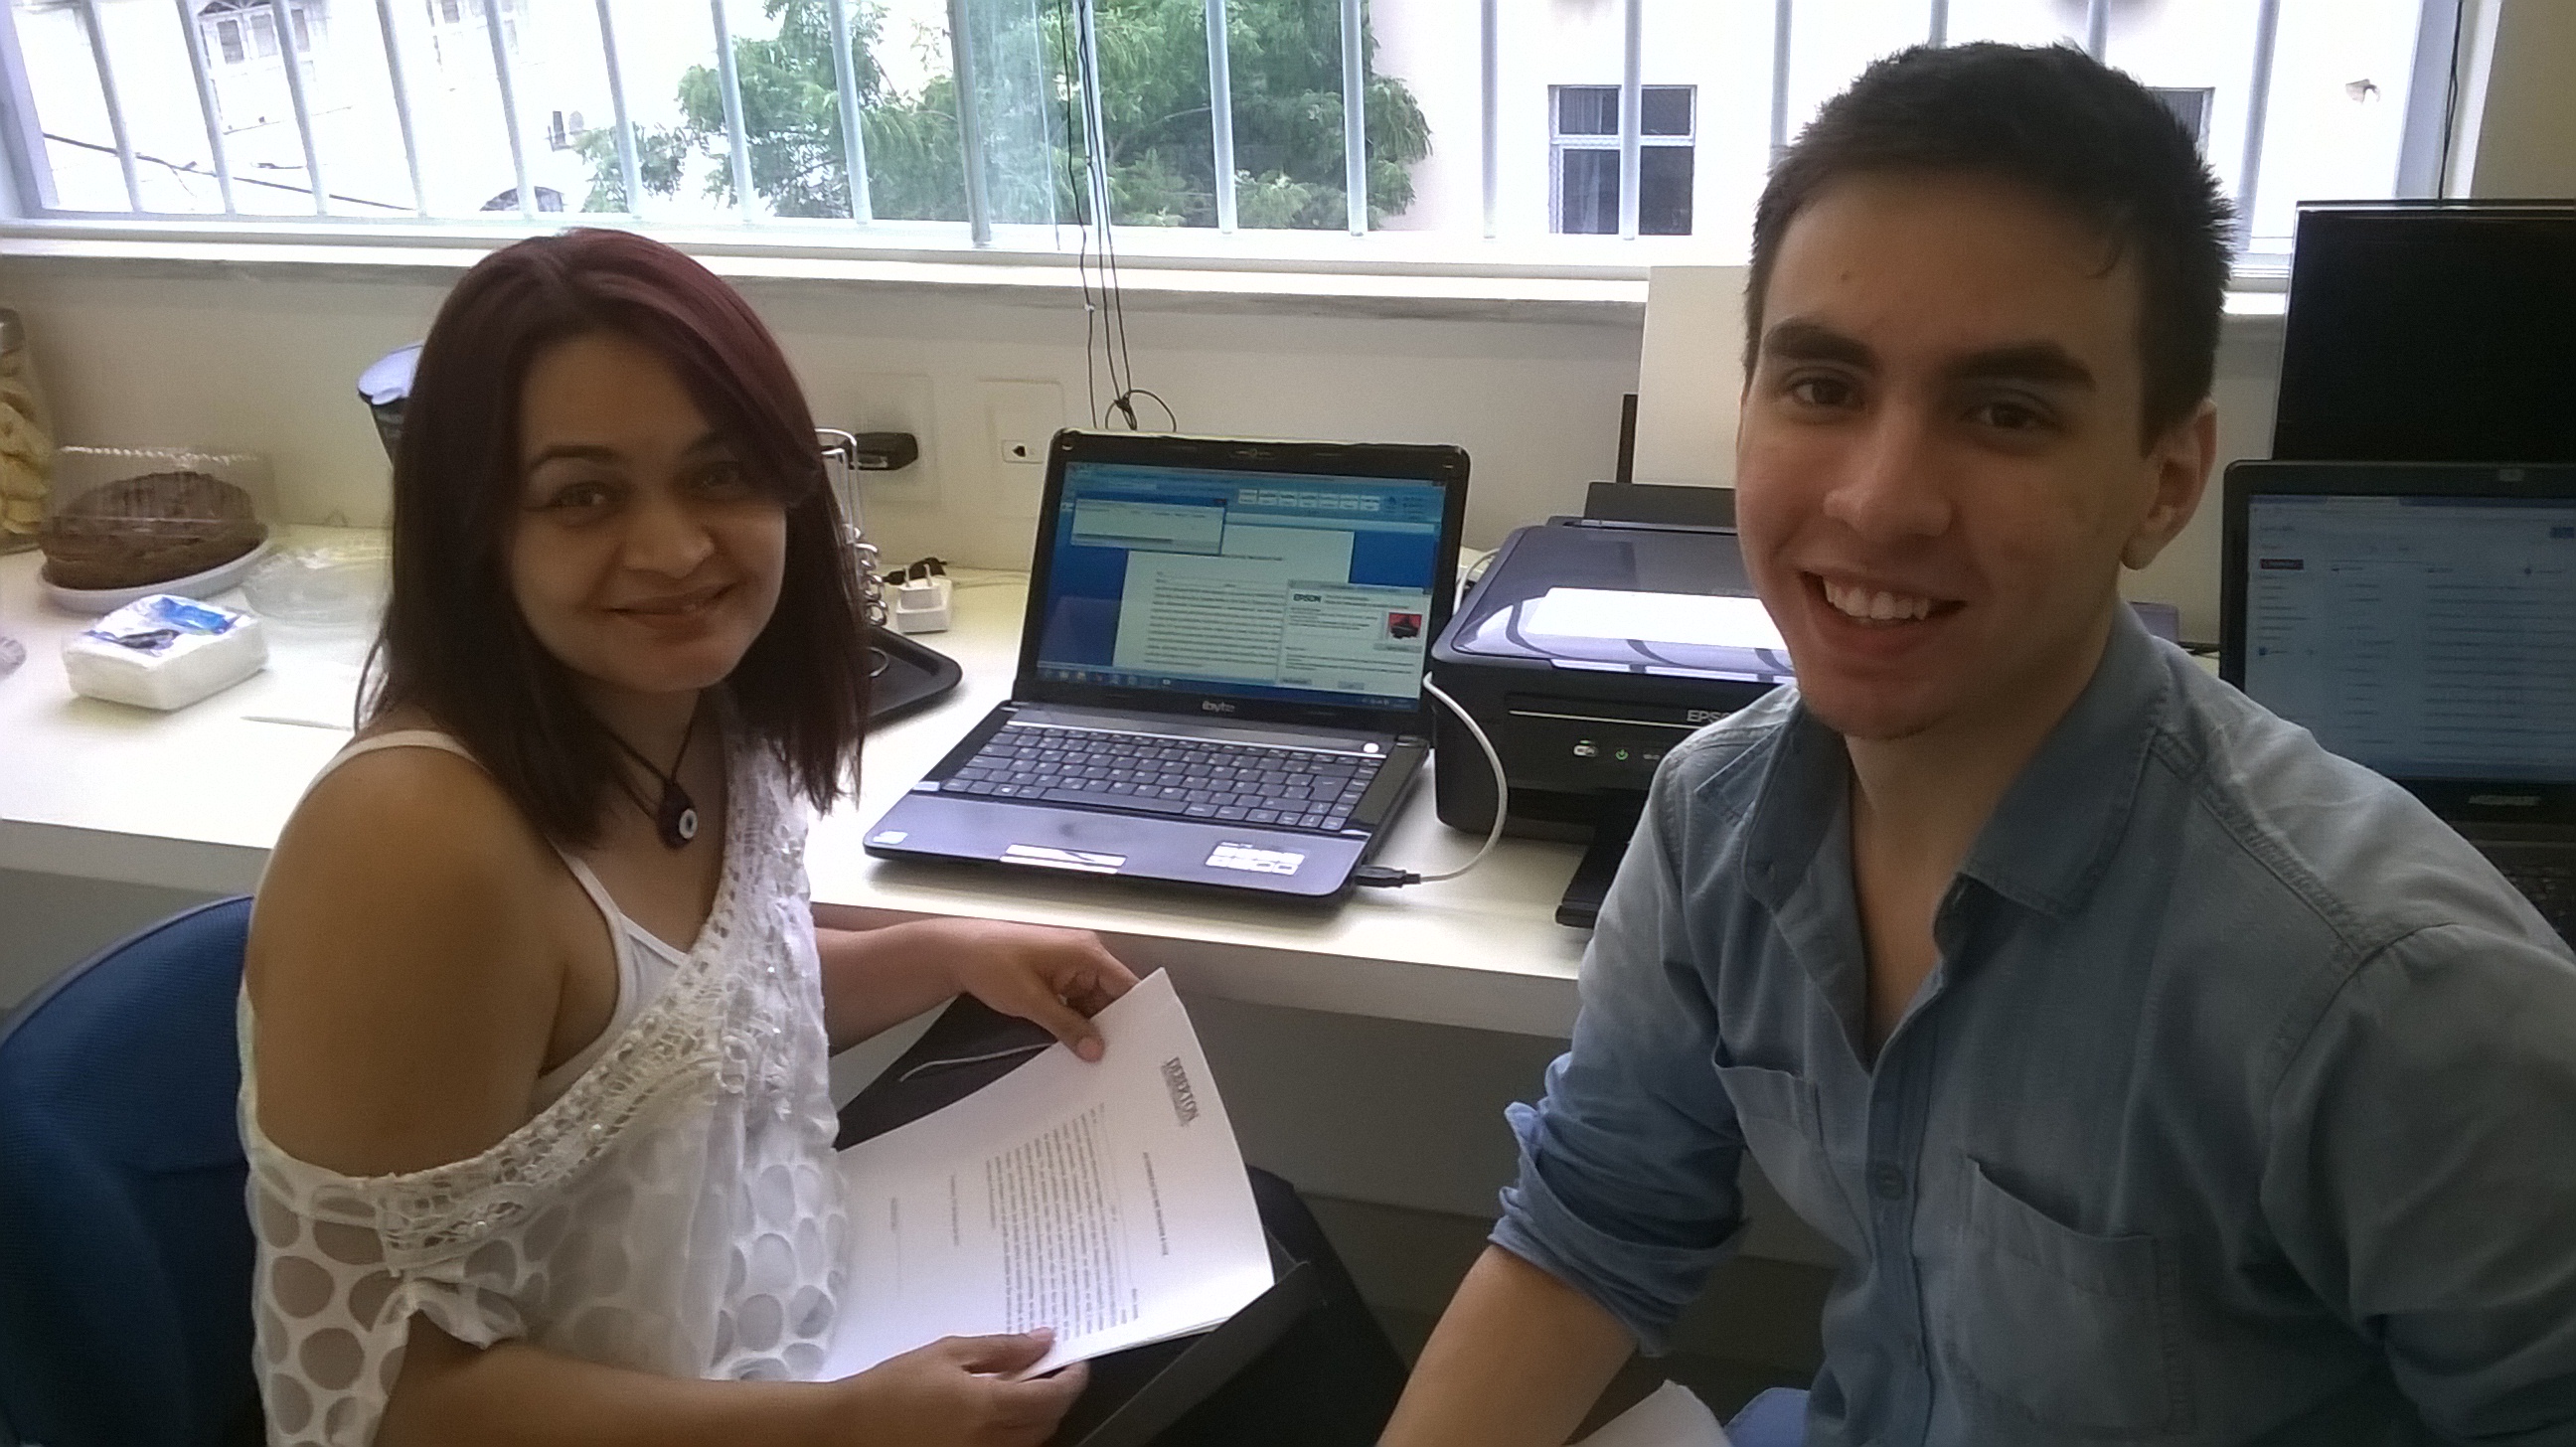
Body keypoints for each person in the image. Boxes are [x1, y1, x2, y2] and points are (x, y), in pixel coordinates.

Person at [1382, 43, 2576, 1447]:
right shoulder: (1715, 819)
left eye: (2006, 413)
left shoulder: (2395, 1000)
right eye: (1823, 388)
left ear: (2165, 483)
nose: (1881, 503)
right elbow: (1591, 1230)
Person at [243, 229, 1139, 1446]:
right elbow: (390, 1403)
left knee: (1266, 1258)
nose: (674, 550)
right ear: (476, 527)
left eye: (719, 475)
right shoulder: (415, 844)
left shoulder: (700, 709)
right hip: (766, 1416)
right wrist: (842, 1430)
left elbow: (684, 1034)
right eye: (584, 495)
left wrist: (943, 951)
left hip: (808, 1338)